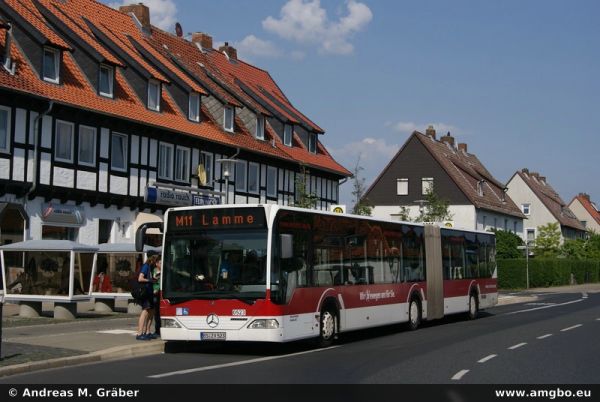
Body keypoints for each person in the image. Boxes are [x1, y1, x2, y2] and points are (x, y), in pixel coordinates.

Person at [136, 254, 156, 341]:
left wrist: (153, 279)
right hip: (146, 292)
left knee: (151, 311)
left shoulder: (150, 267)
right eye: (156, 260)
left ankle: (147, 332)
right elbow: (140, 279)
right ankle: (139, 333)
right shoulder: (146, 266)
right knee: (144, 312)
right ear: (152, 259)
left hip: (149, 292)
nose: (156, 262)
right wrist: (150, 280)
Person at [149, 255, 161, 337]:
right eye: (160, 263)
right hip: (156, 293)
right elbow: (154, 281)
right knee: (156, 313)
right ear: (156, 264)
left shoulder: (164, 271)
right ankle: (157, 330)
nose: (161, 264)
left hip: (162, 294)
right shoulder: (155, 270)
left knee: (161, 312)